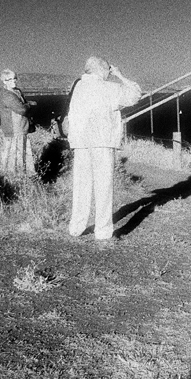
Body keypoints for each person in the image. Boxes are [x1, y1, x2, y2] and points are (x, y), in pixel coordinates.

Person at [66, 56, 142, 242]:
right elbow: (135, 94)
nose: (109, 72)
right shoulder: (108, 88)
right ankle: (103, 231)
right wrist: (119, 75)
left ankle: (76, 227)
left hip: (81, 142)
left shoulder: (79, 87)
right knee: (103, 187)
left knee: (81, 185)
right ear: (101, 69)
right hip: (102, 142)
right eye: (107, 69)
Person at [0, 69, 35, 174]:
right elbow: (21, 109)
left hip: (21, 127)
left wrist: (26, 105)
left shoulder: (17, 91)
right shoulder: (7, 95)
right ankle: (15, 177)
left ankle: (24, 176)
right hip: (14, 129)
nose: (14, 81)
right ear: (4, 81)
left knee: (22, 154)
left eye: (15, 78)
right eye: (10, 79)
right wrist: (29, 105)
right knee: (15, 156)